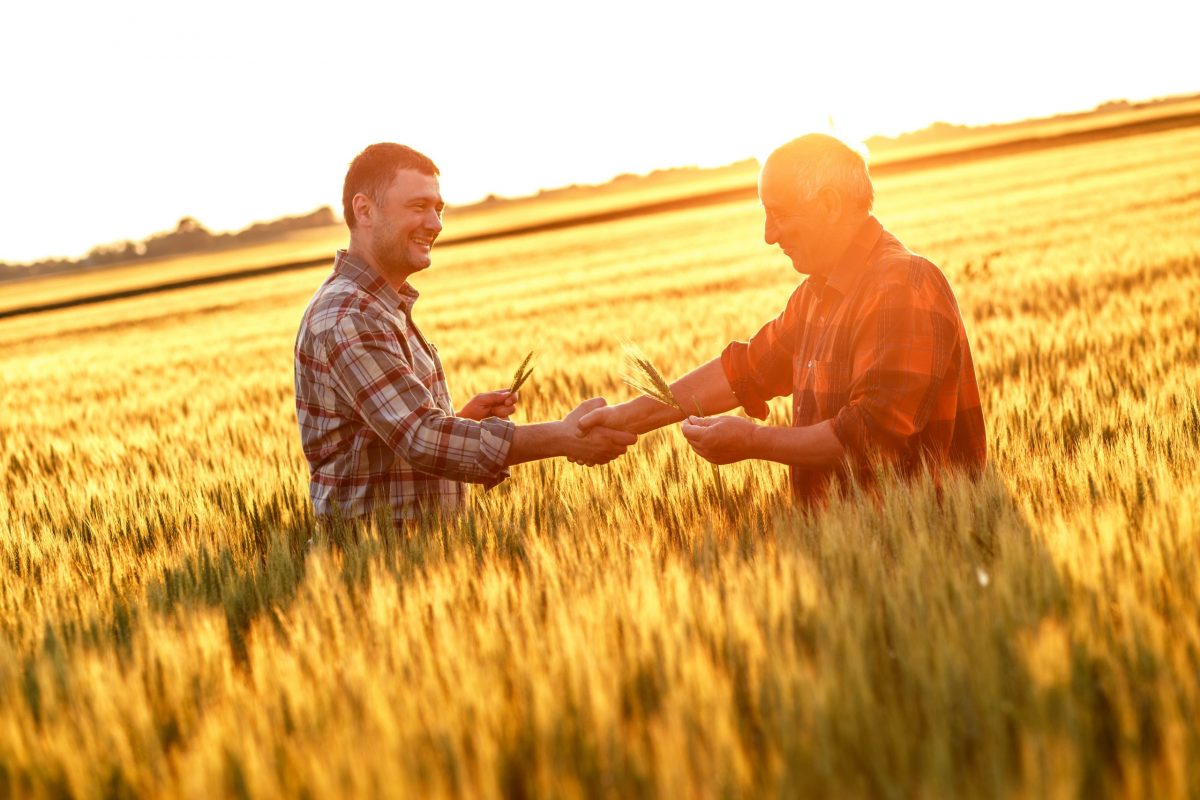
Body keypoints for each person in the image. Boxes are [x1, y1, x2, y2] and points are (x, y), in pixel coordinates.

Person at [580, 134, 986, 504]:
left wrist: (754, 441)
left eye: (779, 214)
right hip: (845, 554)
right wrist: (625, 417)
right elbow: (744, 370)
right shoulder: (816, 295)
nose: (768, 235)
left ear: (829, 204)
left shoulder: (902, 285)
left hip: (907, 557)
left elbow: (869, 436)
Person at [294, 143, 635, 527]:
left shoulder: (379, 307)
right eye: (418, 207)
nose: (436, 224)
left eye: (438, 210)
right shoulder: (349, 316)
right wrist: (562, 436)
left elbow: (393, 439)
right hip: (378, 567)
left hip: (414, 561)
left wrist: (460, 421)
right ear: (364, 210)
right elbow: (422, 438)